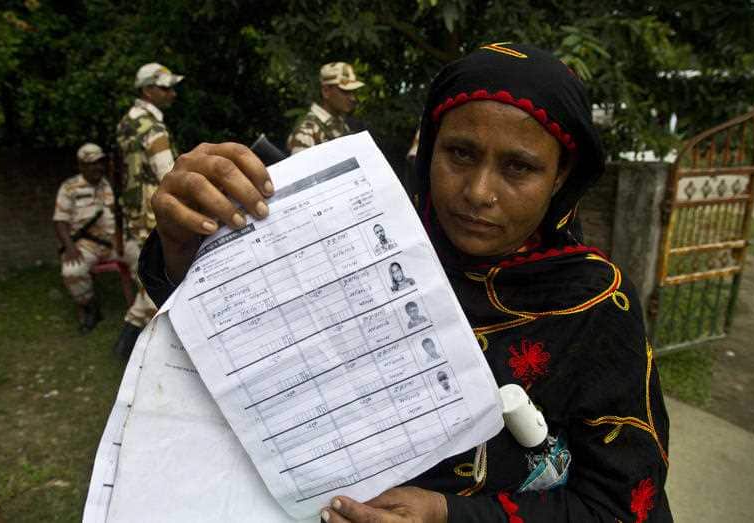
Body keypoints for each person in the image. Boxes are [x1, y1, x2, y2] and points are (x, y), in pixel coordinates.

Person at [138, 42, 671, 521]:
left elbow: (619, 505)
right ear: (430, 148)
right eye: (460, 154)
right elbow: (245, 332)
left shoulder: (595, 306)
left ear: (560, 177)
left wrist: (449, 515)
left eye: (519, 168)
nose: (479, 192)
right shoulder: (365, 244)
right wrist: (182, 243)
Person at [113, 62, 183, 358]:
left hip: (133, 210)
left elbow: (120, 172)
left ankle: (129, 346)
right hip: (153, 213)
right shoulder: (152, 127)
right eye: (165, 88)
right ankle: (129, 345)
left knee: (149, 278)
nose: (172, 94)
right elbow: (168, 174)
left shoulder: (126, 122)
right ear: (147, 90)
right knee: (156, 279)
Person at [53, 143, 115, 333]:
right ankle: (89, 307)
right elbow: (60, 222)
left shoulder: (109, 184)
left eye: (100, 162)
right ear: (81, 166)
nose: (98, 167)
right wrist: (70, 247)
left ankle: (151, 307)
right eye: (92, 163)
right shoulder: (70, 187)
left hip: (114, 243)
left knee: (145, 260)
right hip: (86, 245)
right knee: (72, 271)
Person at [285, 62, 365, 154]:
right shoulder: (307, 132)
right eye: (345, 91)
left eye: (352, 92)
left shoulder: (342, 125)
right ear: (326, 91)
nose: (352, 98)